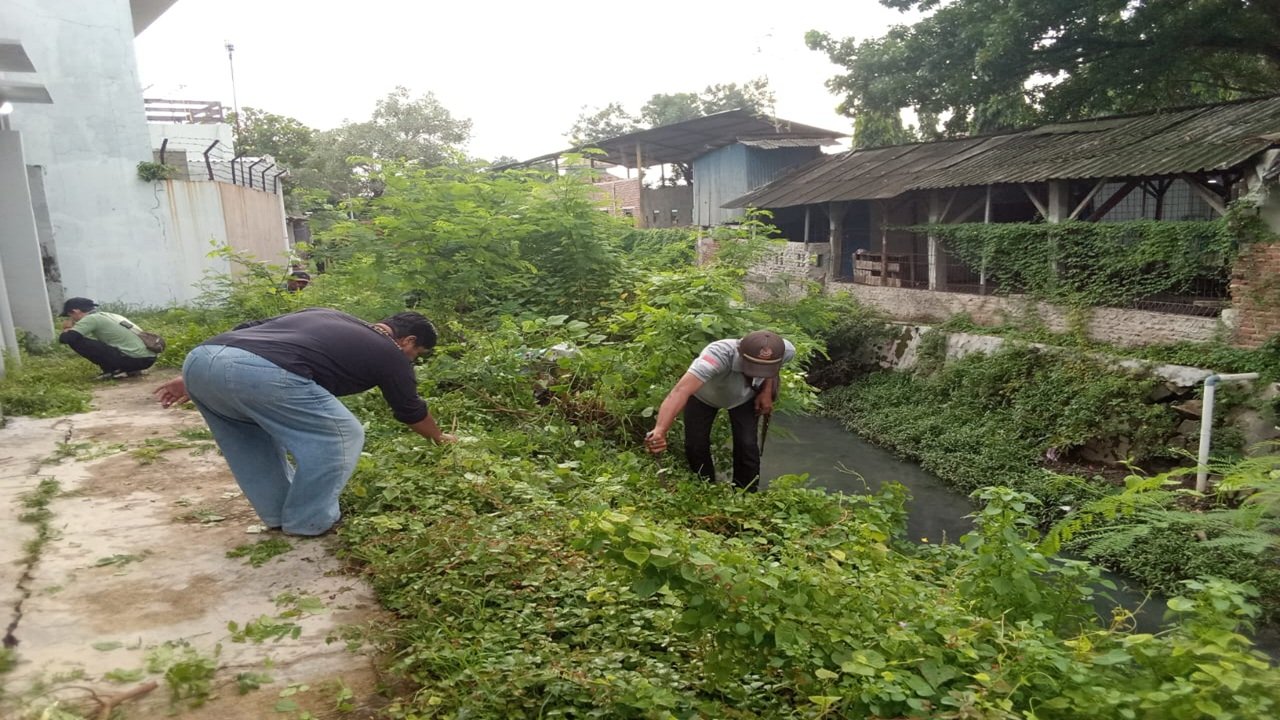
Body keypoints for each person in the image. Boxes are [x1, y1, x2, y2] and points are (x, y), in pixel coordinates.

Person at [154, 307, 457, 536]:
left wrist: (201, 373)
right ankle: (308, 521)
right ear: (408, 341)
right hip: (257, 372)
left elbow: (250, 329)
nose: (412, 361)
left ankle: (277, 515)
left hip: (203, 359)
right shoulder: (390, 352)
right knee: (342, 436)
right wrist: (440, 438)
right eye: (417, 354)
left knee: (249, 443)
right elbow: (410, 410)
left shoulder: (328, 314)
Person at [645, 330, 795, 491]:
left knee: (747, 445)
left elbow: (774, 368)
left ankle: (746, 495)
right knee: (695, 444)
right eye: (754, 367)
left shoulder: (785, 350)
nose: (759, 373)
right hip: (703, 396)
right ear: (741, 354)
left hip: (744, 397)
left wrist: (766, 391)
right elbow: (680, 391)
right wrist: (661, 429)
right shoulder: (717, 354)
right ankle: (705, 488)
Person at [58, 297, 158, 380]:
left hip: (134, 360)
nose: (70, 318)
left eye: (70, 315)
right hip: (148, 358)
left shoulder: (90, 319)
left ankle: (112, 370)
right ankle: (129, 369)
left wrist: (67, 328)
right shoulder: (109, 315)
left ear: (76, 311)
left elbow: (66, 339)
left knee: (76, 341)